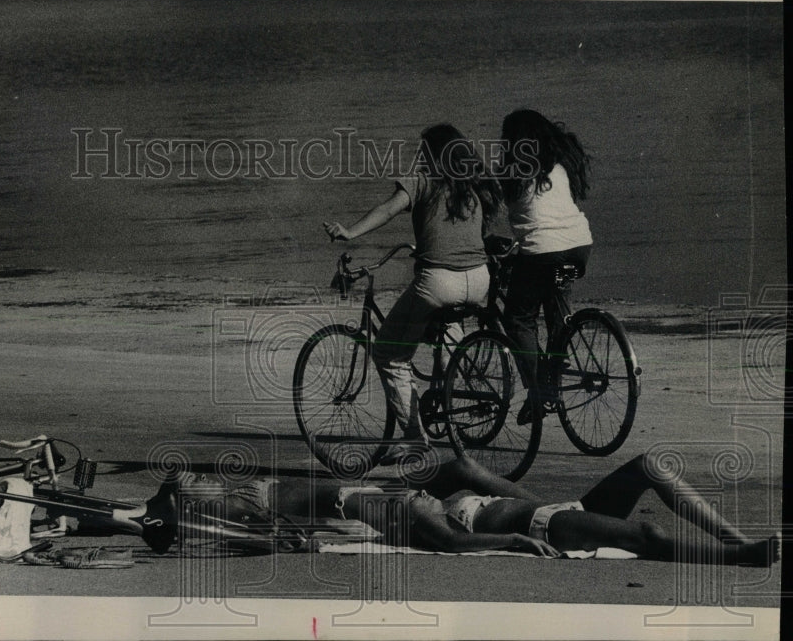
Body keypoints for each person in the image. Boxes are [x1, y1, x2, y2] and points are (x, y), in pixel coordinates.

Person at [130, 452, 779, 567]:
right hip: (541, 522)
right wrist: (508, 544)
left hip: (537, 503)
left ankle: (732, 530)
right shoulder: (406, 514)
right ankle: (740, 555)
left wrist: (445, 469)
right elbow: (448, 546)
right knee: (639, 535)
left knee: (648, 466)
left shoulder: (402, 493)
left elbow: (458, 469)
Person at [323, 124, 501, 462]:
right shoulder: (473, 185)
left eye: (424, 151)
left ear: (433, 154)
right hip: (479, 280)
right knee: (447, 317)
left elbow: (388, 210)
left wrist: (350, 231)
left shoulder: (423, 180)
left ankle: (414, 437)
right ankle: (447, 389)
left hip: (439, 281)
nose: (420, 156)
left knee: (389, 354)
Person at [497, 109, 593, 422]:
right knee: (558, 319)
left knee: (518, 319)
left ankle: (539, 392)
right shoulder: (562, 163)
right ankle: (554, 381)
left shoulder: (514, 170)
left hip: (542, 250)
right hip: (578, 244)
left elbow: (496, 201)